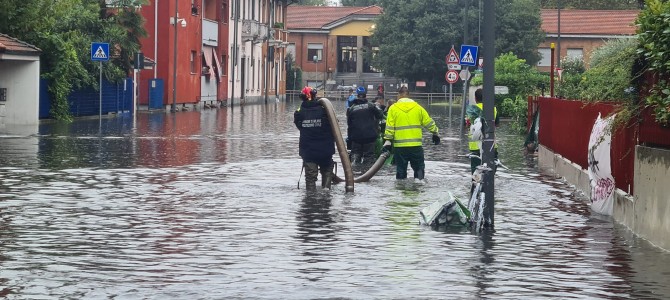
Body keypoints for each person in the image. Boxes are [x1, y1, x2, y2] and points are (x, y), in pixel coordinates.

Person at [382, 86, 440, 180]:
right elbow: (428, 122)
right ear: (409, 96)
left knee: (401, 170)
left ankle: (400, 189)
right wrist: (435, 133)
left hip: (400, 147)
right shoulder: (418, 108)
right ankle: (420, 186)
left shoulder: (393, 108)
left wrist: (388, 141)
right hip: (416, 146)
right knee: (419, 169)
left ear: (398, 95)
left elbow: (389, 127)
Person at [294, 86, 336, 190]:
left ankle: (310, 199)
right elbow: (335, 126)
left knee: (310, 177)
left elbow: (299, 126)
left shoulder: (299, 112)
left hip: (308, 151)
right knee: (327, 171)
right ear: (314, 95)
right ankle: (326, 194)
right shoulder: (325, 110)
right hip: (325, 149)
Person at [347, 86, 385, 168]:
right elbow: (380, 115)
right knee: (369, 158)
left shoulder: (351, 108)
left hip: (356, 137)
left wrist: (350, 138)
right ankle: (367, 176)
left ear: (357, 95)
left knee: (355, 159)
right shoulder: (371, 106)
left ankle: (355, 177)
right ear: (365, 95)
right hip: (369, 137)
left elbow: (349, 125)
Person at [465, 88, 500, 174]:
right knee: (490, 171)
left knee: (476, 172)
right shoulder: (493, 109)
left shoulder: (471, 110)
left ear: (475, 98)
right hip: (491, 145)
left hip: (475, 147)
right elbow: (497, 125)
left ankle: (475, 185)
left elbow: (467, 125)